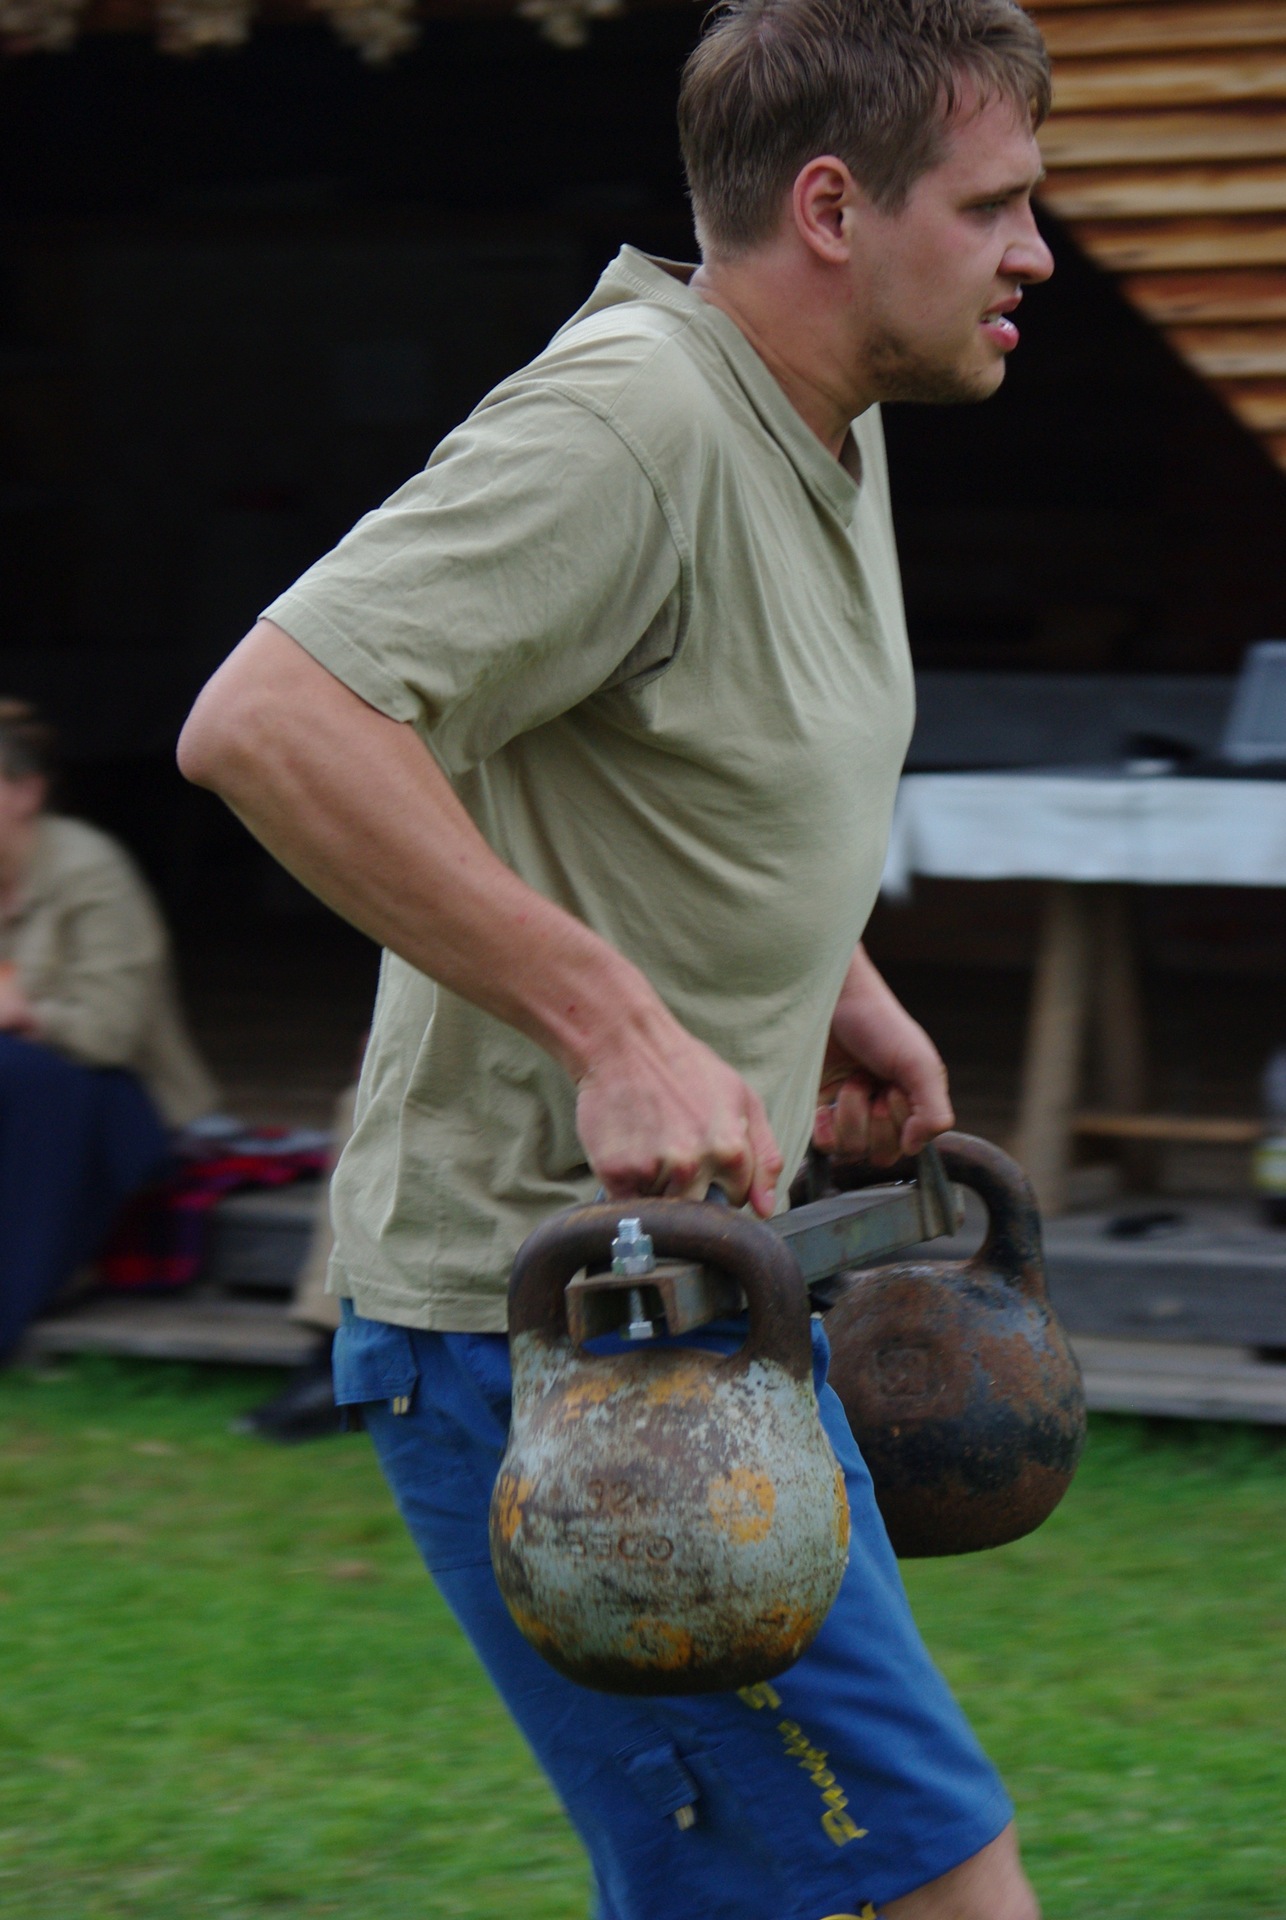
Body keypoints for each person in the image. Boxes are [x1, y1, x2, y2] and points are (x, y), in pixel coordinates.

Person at [178, 2, 1055, 1911]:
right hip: (558, 1337)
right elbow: (274, 718)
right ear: (831, 207)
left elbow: (678, 755)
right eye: (992, 207)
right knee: (934, 1888)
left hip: (713, 1306)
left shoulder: (824, 418)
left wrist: (838, 986)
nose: (1035, 255)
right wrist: (611, 1024)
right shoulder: (632, 422)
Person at [0, 700, 218, 1361]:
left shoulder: (88, 870)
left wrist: (26, 1015)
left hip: (120, 1098)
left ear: (26, 792)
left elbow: (109, 1034)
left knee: (17, 1071)